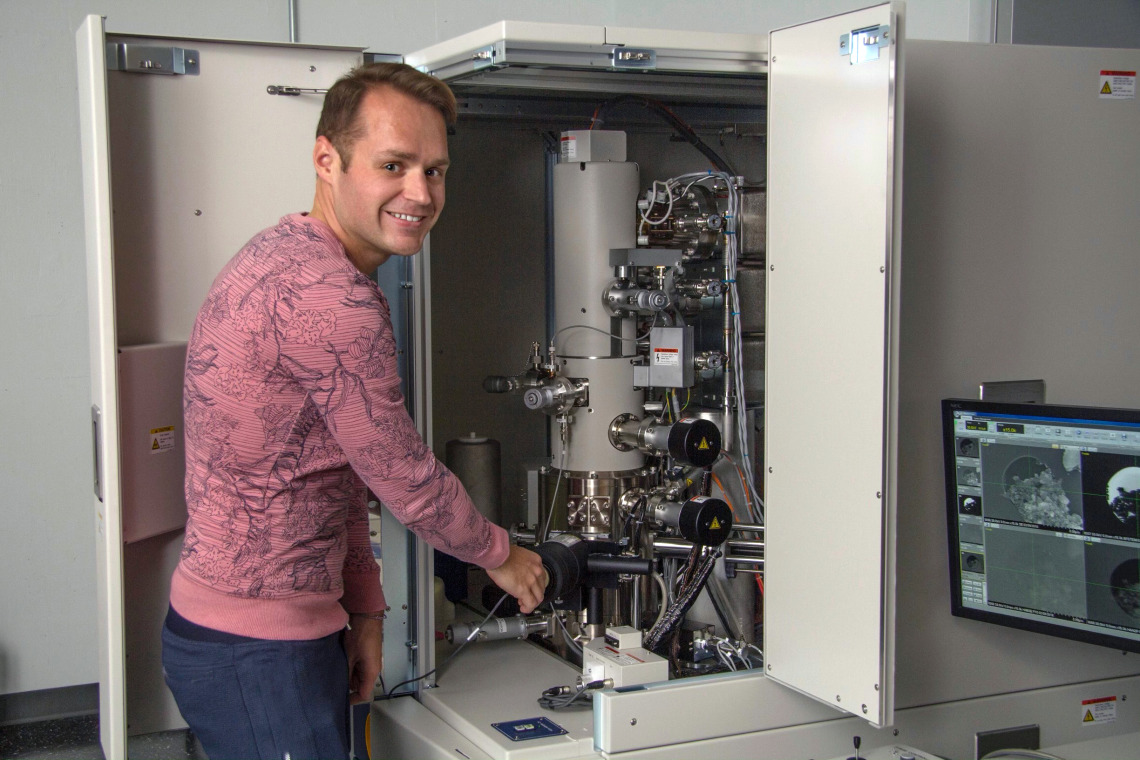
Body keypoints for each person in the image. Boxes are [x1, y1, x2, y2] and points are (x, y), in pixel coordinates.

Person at [161, 62, 547, 760]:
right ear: (326, 158)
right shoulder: (332, 299)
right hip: (258, 648)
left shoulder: (284, 249)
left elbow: (331, 467)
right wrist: (504, 555)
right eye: (393, 165)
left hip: (256, 632)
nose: (420, 193)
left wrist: (364, 612)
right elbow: (402, 475)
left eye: (435, 170)